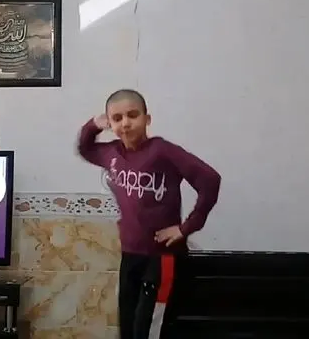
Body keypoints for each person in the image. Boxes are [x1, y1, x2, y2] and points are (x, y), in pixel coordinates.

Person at [76, 89, 221, 339]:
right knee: (128, 326)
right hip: (130, 255)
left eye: (133, 115)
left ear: (147, 118)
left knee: (148, 329)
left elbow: (210, 180)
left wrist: (187, 227)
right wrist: (93, 125)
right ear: (111, 123)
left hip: (162, 257)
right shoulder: (111, 154)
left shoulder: (162, 151)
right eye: (117, 118)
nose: (125, 123)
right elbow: (85, 148)